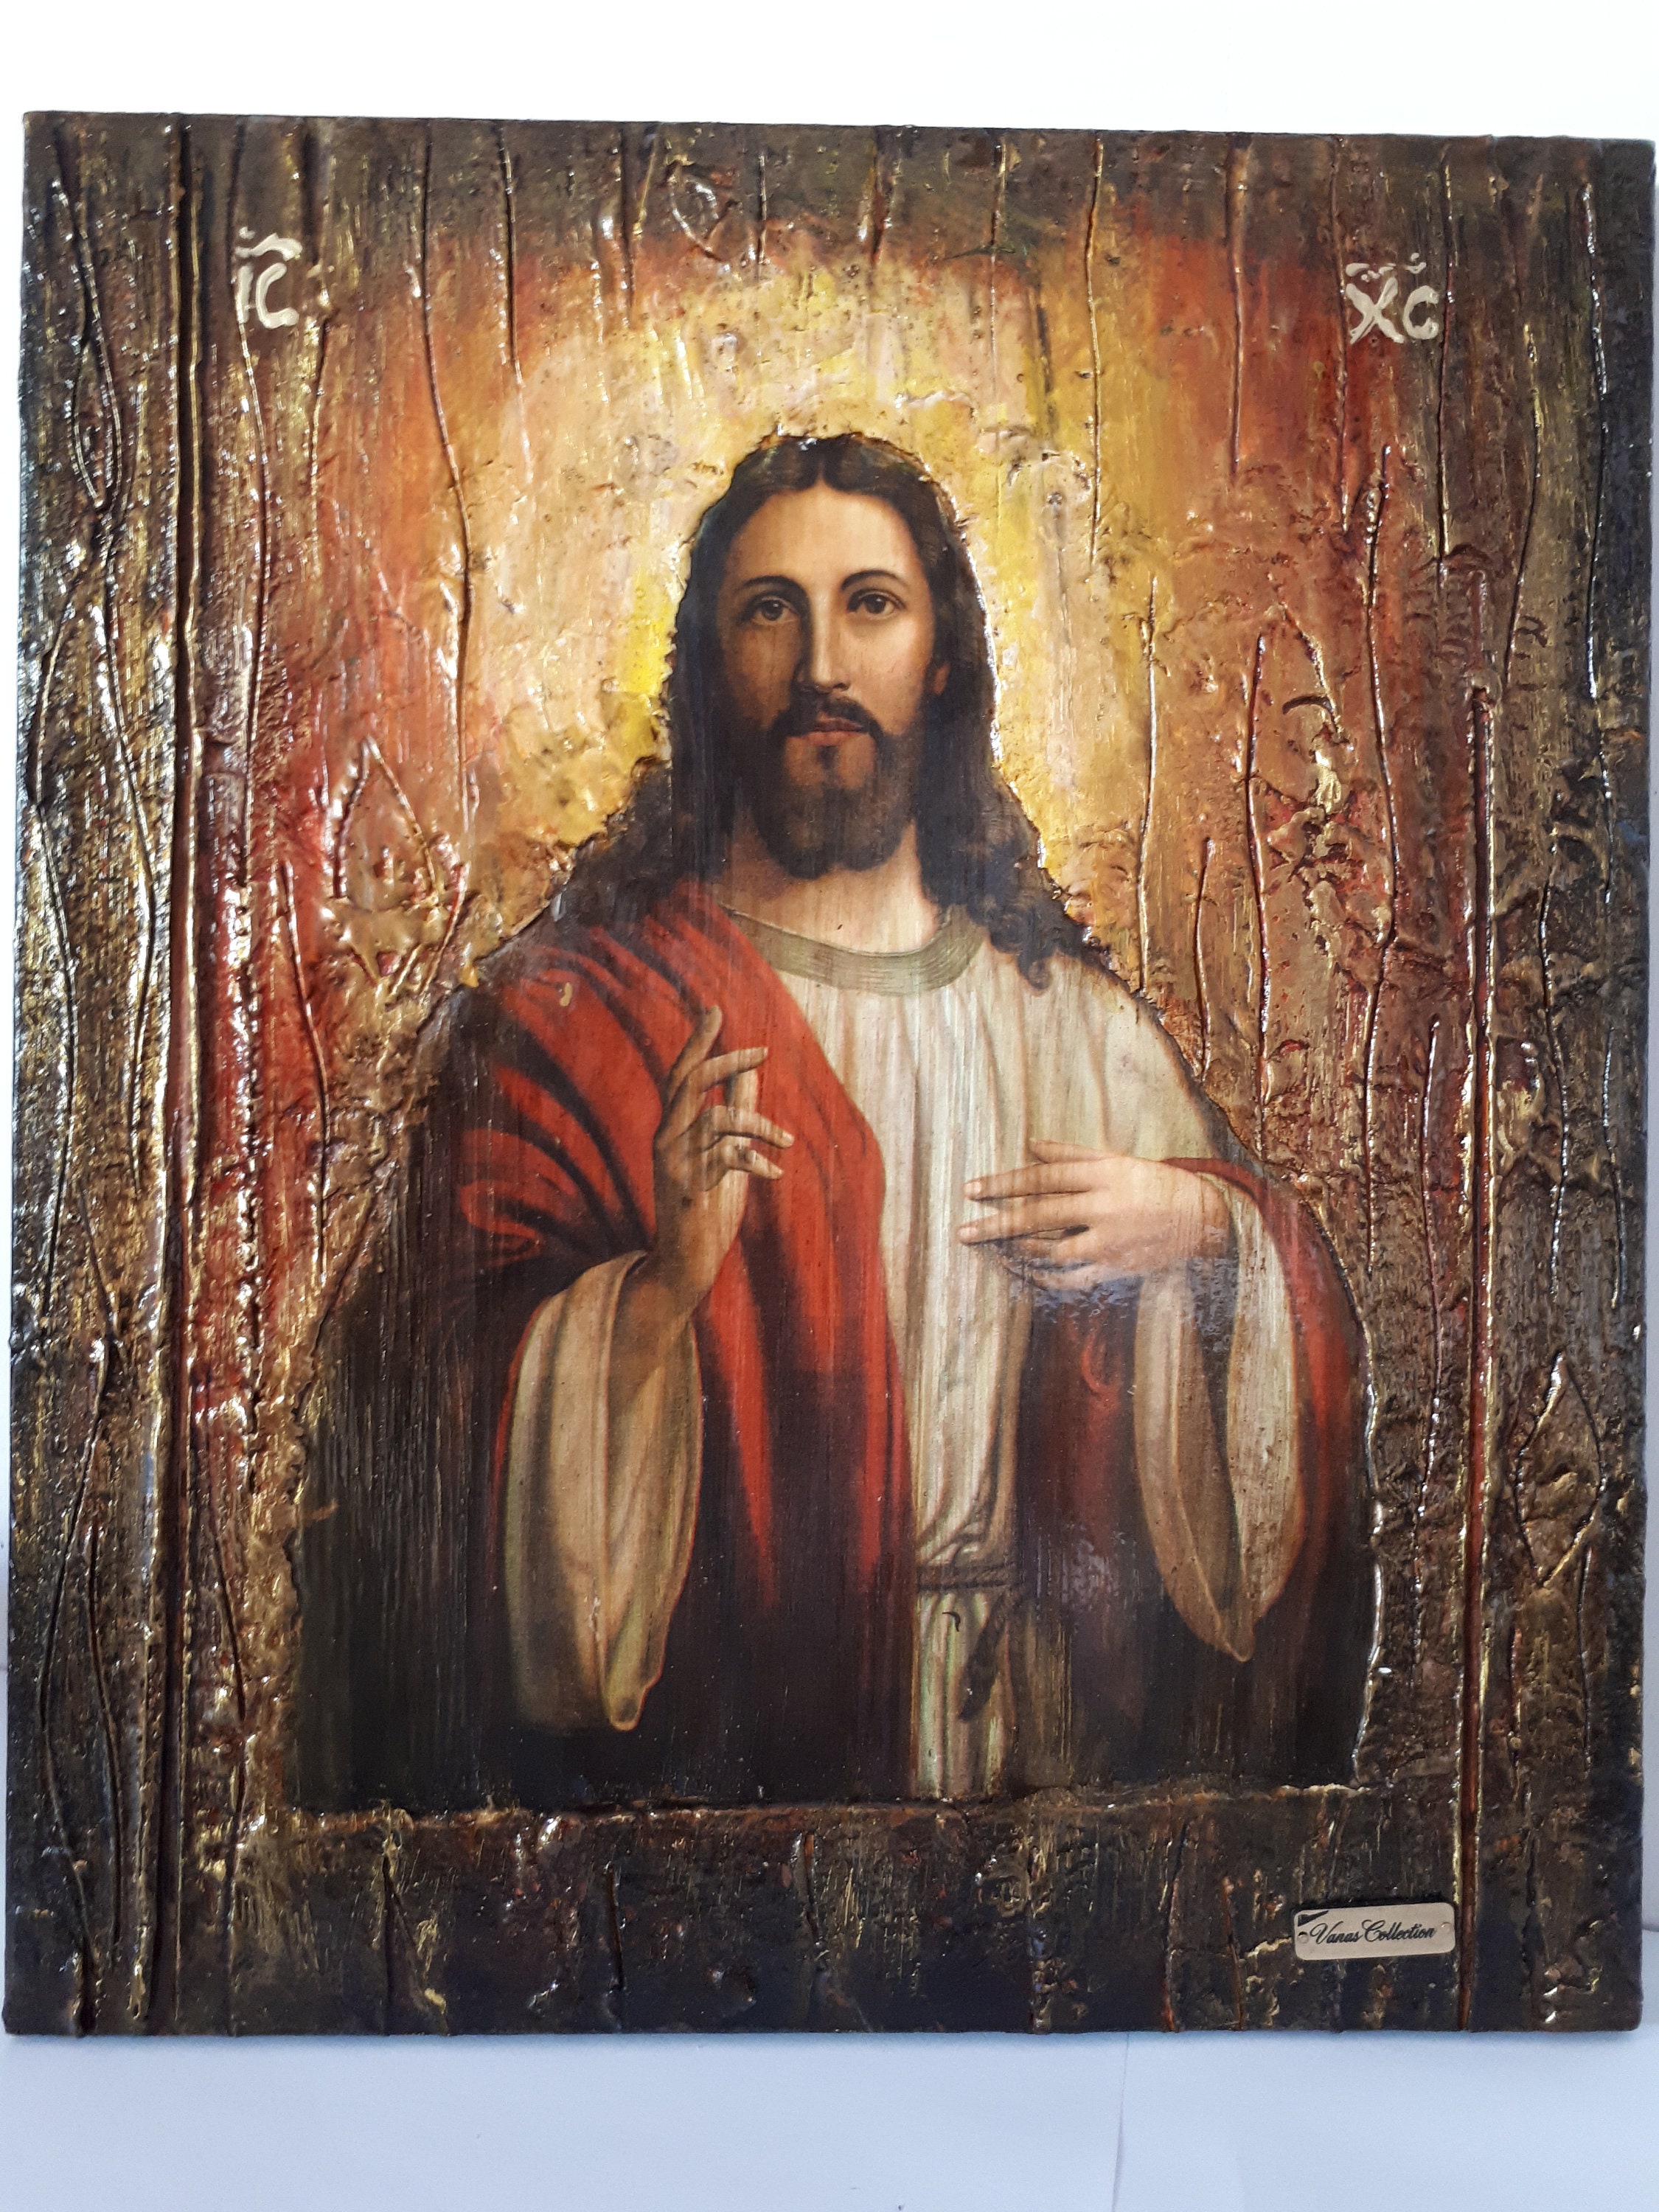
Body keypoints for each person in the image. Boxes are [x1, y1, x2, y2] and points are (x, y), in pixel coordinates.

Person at [295, 434, 1371, 1815]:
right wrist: (652, 1296)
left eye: (870, 604)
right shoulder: (571, 1026)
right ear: (710, 669)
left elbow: (1291, 1447)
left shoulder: (1077, 1036)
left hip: (1048, 1778)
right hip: (738, 1781)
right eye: (770, 611)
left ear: (940, 659)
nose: (821, 665)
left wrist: (1206, 1232)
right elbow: (412, 1445)